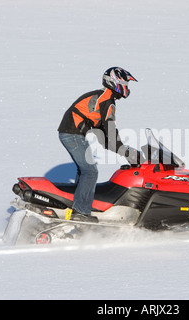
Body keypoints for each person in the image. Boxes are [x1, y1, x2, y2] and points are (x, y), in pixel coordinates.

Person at [57, 67, 142, 223]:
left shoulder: (102, 97)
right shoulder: (107, 102)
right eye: (125, 84)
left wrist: (123, 151)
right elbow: (110, 132)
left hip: (71, 133)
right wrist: (128, 153)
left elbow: (105, 137)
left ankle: (75, 205)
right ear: (115, 82)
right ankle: (80, 212)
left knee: (84, 171)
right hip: (72, 134)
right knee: (90, 172)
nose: (127, 89)